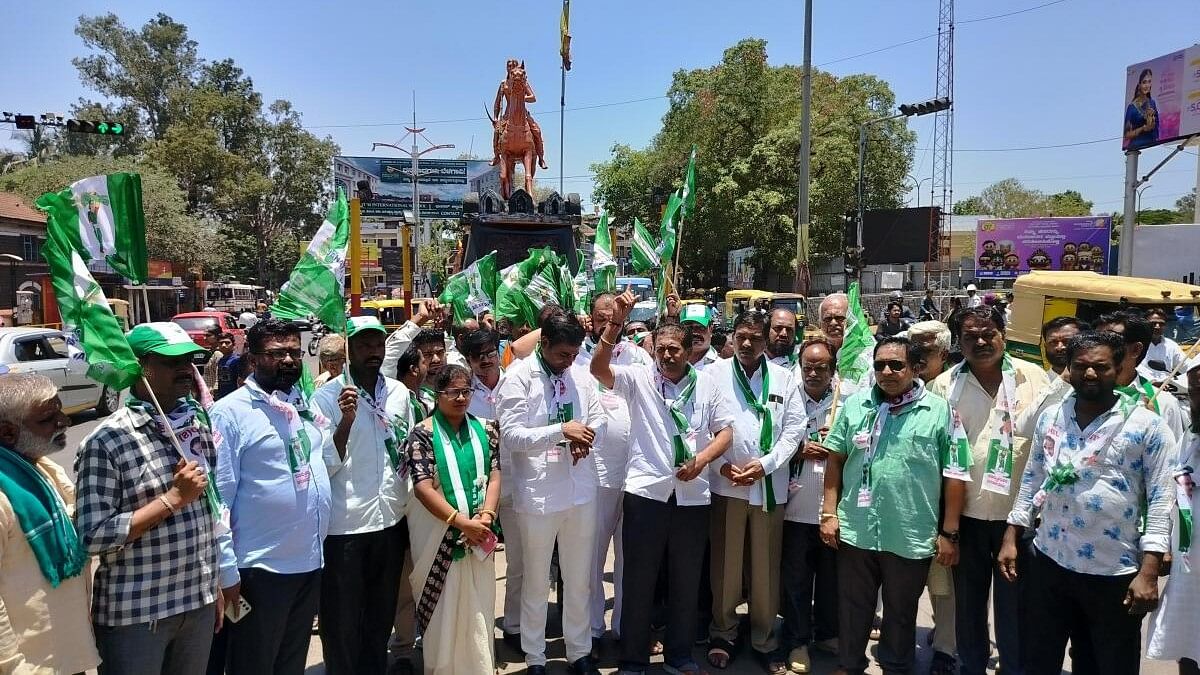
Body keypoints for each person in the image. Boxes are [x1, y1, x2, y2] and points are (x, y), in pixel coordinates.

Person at [1001, 331, 1173, 672]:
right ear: (1069, 368)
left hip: (1113, 571)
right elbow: (1033, 477)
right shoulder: (1052, 417)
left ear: (1120, 368)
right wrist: (1011, 536)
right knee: (1039, 657)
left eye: (1101, 367)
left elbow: (1161, 499)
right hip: (1050, 559)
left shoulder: (1147, 426)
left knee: (1106, 663)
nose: (1090, 374)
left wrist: (1149, 571)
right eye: (1080, 366)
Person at [590, 289, 735, 675]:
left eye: (676, 349)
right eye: (662, 349)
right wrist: (616, 323)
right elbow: (599, 369)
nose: (668, 355)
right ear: (654, 349)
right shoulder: (638, 379)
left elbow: (725, 433)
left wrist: (702, 461)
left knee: (686, 581)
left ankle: (679, 655)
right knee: (639, 579)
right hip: (645, 494)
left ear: (689, 351)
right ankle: (634, 659)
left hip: (692, 497)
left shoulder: (707, 384)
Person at [75, 323, 230, 675]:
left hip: (197, 602)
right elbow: (92, 535)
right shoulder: (108, 441)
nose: (185, 370)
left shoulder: (196, 427)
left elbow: (211, 513)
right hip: (139, 614)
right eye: (171, 361)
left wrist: (215, 582)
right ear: (140, 367)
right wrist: (173, 498)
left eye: (189, 360)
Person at [817, 336, 968, 674]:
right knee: (854, 607)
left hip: (910, 531)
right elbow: (836, 460)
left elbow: (955, 474)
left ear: (914, 368)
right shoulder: (856, 406)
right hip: (857, 527)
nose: (886, 371)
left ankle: (895, 665)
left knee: (901, 611)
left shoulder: (940, 411)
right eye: (879, 365)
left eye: (895, 364)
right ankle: (849, 664)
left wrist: (950, 532)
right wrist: (829, 513)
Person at [927, 306, 1048, 675]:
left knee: (1018, 612)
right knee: (969, 609)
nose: (980, 341)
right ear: (958, 343)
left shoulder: (1036, 380)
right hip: (965, 519)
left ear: (1003, 334)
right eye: (970, 336)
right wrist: (945, 529)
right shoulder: (944, 387)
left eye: (988, 333)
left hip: (1020, 521)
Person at [211, 319, 332, 675]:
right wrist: (227, 572)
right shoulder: (230, 413)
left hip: (309, 562)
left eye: (295, 352)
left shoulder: (300, 406)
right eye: (277, 353)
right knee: (254, 665)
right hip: (260, 569)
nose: (289, 360)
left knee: (290, 664)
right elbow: (220, 497)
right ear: (252, 357)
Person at [497, 313, 605, 675]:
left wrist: (587, 437)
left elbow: (599, 416)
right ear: (543, 345)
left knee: (578, 578)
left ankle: (579, 651)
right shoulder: (518, 377)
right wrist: (561, 432)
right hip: (539, 495)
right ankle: (535, 656)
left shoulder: (580, 372)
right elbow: (511, 436)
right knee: (536, 578)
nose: (569, 361)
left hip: (580, 491)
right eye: (562, 354)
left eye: (574, 353)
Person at [312, 317, 413, 675]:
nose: (373, 352)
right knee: (341, 620)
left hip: (390, 519)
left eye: (377, 344)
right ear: (349, 349)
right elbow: (324, 464)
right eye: (364, 345)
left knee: (379, 615)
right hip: (345, 526)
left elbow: (407, 448)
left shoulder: (400, 394)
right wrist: (346, 420)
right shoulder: (326, 397)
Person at [705, 311, 804, 674]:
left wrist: (765, 464)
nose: (748, 344)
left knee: (765, 566)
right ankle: (724, 632)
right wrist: (720, 466)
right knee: (726, 565)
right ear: (732, 336)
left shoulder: (783, 377)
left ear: (766, 341)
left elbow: (795, 429)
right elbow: (702, 426)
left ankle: (764, 637)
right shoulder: (713, 374)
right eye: (741, 336)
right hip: (726, 484)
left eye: (756, 338)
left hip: (768, 485)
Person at [405, 364, 502, 674]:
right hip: (439, 537)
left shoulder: (486, 429)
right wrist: (461, 523)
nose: (461, 398)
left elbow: (496, 475)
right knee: (444, 611)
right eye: (453, 392)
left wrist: (485, 516)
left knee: (479, 605)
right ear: (437, 395)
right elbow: (422, 487)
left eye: (466, 391)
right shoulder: (423, 432)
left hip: (479, 534)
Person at [0, 373, 99, 674]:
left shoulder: (41, 468)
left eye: (60, 411)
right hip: (29, 665)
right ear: (7, 432)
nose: (63, 422)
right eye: (47, 418)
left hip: (66, 654)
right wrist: (13, 667)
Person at [573, 293, 648, 649]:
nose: (610, 321)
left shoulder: (639, 356)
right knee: (592, 557)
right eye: (603, 316)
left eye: (617, 316)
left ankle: (624, 626)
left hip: (635, 475)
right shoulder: (577, 358)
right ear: (591, 319)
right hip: (594, 475)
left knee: (629, 559)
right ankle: (591, 629)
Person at [779, 338, 841, 673]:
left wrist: (838, 444)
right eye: (808, 367)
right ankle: (797, 640)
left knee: (832, 577)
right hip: (795, 507)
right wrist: (799, 449)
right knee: (797, 580)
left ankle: (829, 633)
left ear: (832, 369)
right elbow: (770, 443)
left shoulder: (846, 403)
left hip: (833, 508)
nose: (814, 373)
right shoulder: (788, 400)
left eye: (821, 367)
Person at [1146, 355, 1200, 672]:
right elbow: (1172, 494)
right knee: (1188, 641)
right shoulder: (1188, 438)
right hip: (1189, 565)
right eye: (1194, 387)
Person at [1092, 310, 1186, 444]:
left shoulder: (1164, 403)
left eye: (1109, 339)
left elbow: (1172, 460)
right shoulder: (1077, 392)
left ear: (1136, 349)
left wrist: (1153, 429)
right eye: (1094, 339)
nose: (1095, 347)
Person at [382, 299, 446, 380]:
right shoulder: (397, 389)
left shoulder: (459, 382)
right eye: (428, 354)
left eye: (440, 352)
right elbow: (388, 357)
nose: (436, 360)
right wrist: (421, 317)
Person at [1140, 307, 1187, 384]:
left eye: (1161, 324)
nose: (1157, 326)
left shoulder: (1171, 345)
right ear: (1144, 324)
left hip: (1167, 388)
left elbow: (1185, 366)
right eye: (1153, 323)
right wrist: (1153, 381)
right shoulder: (1136, 345)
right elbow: (1134, 370)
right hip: (1144, 388)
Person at [1124, 68, 1159, 150]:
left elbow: (1156, 126)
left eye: (1149, 82)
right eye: (1144, 82)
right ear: (1139, 85)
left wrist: (1152, 120)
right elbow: (1126, 134)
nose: (1147, 85)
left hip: (1153, 143)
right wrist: (1142, 128)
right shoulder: (1132, 107)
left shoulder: (1152, 103)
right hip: (1136, 145)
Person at [680, 303, 722, 372]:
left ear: (711, 329)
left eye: (700, 327)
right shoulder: (672, 363)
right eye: (688, 327)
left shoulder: (722, 368)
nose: (694, 332)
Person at [766, 308, 801, 373]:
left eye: (789, 329)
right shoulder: (752, 363)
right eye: (778, 328)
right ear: (766, 330)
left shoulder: (802, 365)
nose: (784, 334)